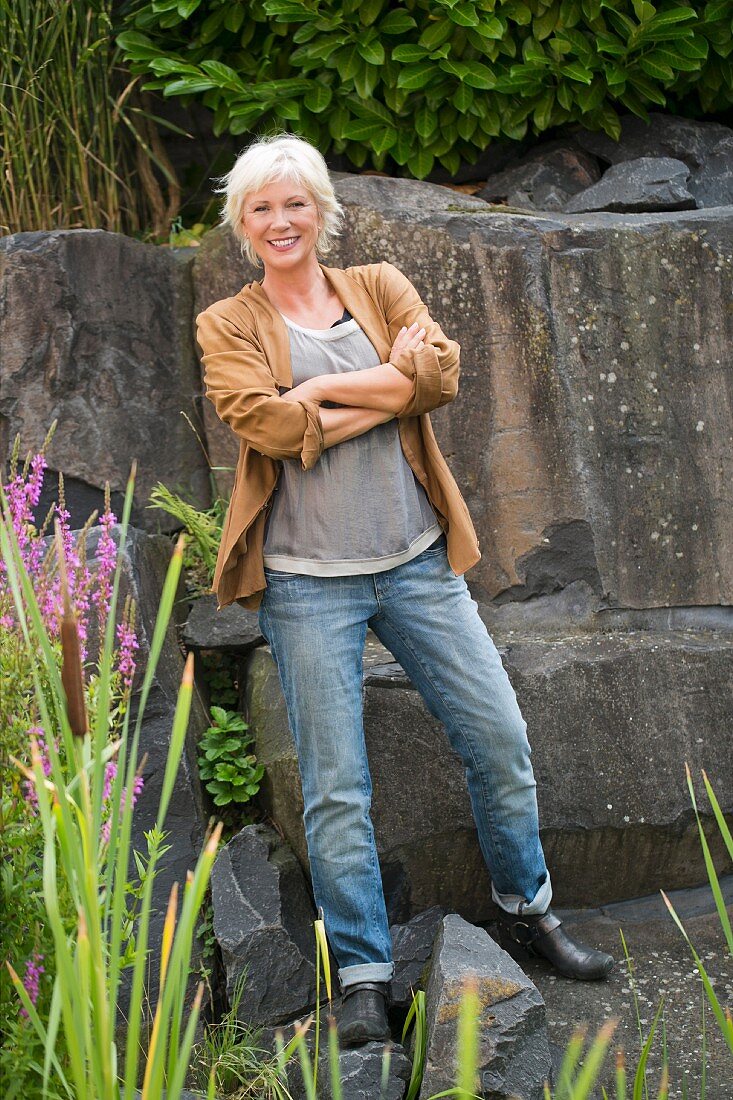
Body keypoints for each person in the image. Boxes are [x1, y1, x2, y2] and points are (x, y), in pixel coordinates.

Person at [195, 132, 614, 1047]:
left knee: (498, 738)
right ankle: (363, 972)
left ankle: (527, 909)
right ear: (242, 221)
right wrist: (387, 385)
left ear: (321, 211)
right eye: (261, 207)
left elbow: (441, 376)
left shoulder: (379, 286)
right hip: (307, 585)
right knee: (336, 788)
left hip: (417, 564)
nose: (281, 221)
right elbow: (265, 426)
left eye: (295, 203)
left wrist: (329, 391)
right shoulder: (228, 323)